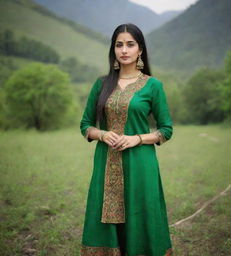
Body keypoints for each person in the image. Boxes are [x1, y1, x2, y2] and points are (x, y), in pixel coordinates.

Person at [80, 23, 174, 256]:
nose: (124, 50)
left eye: (130, 44)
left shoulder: (153, 86)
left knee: (140, 216)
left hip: (140, 164)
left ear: (140, 50)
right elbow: (85, 125)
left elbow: (166, 130)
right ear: (113, 49)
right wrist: (102, 134)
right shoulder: (101, 84)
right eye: (119, 44)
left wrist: (137, 139)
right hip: (106, 164)